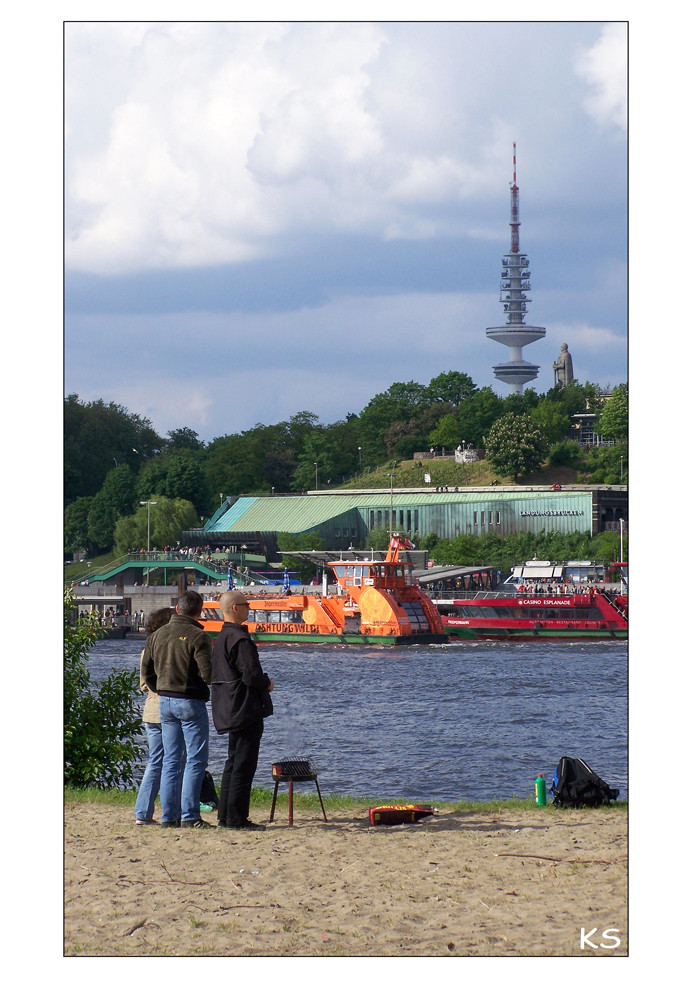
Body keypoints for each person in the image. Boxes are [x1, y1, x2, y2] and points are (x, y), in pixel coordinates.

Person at [141, 590, 213, 829]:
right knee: (195, 759)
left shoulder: (156, 636)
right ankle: (190, 815)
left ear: (177, 608)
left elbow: (147, 673)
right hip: (191, 701)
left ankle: (168, 816)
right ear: (199, 610)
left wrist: (160, 689)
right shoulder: (198, 636)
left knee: (171, 760)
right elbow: (208, 674)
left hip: (165, 702)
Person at [210, 590, 274, 831]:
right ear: (235, 608)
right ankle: (237, 818)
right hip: (245, 708)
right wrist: (267, 683)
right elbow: (251, 675)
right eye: (246, 604)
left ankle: (225, 816)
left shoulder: (221, 637)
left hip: (229, 707)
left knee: (232, 762)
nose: (249, 608)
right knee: (244, 765)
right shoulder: (239, 639)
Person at [134, 607, 181, 825]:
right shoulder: (169, 648)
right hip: (168, 711)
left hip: (150, 711)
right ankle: (172, 811)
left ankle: (143, 812)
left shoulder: (146, 650)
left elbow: (143, 683)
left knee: (155, 761)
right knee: (175, 761)